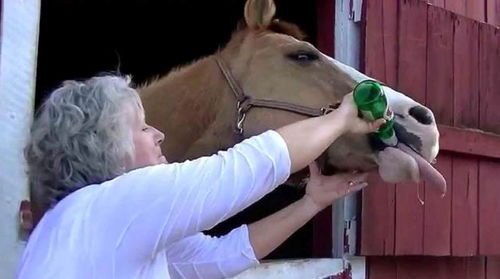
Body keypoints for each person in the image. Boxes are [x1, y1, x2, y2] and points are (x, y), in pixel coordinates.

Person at [17, 75, 384, 279]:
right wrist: (341, 118)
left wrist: (311, 202)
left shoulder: (76, 225)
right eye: (142, 128)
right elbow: (251, 165)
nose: (158, 134)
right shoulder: (114, 204)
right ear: (106, 147)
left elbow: (220, 257)